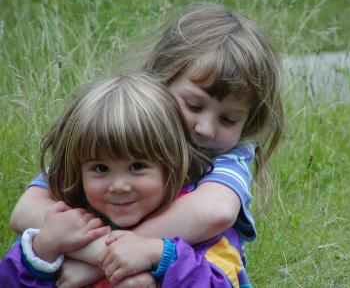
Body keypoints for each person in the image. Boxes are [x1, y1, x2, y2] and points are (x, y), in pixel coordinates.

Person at [9, 2, 284, 286]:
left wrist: (105, 261)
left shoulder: (231, 154)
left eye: (228, 119)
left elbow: (215, 212)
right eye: (193, 104)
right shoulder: (125, 127)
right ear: (160, 80)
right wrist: (103, 255)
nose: (204, 129)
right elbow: (25, 212)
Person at [0, 73, 219, 287]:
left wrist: (162, 256)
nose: (118, 187)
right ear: (78, 171)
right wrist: (43, 250)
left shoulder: (191, 224)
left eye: (137, 166)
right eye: (101, 168)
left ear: (172, 164)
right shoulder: (67, 220)